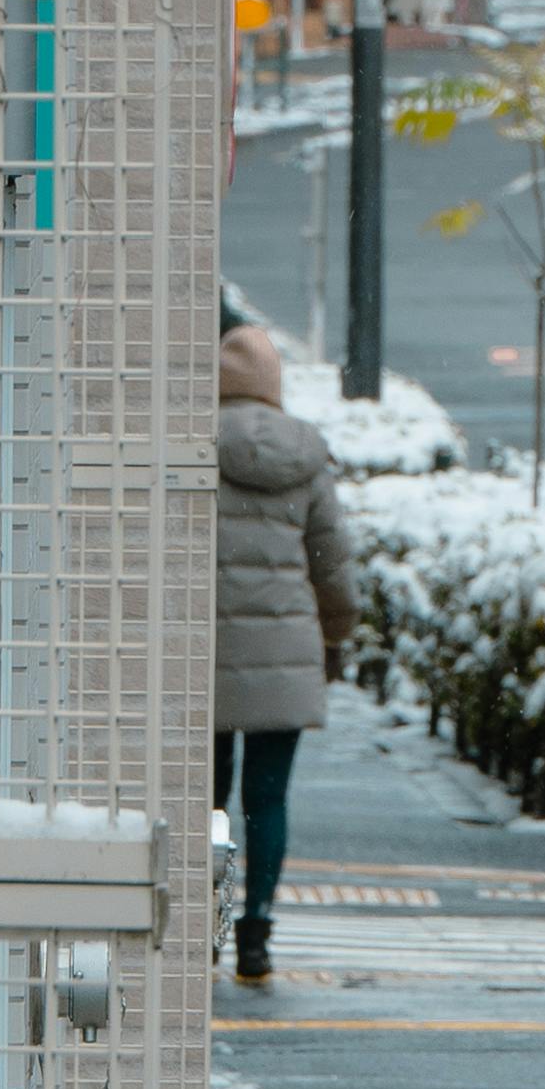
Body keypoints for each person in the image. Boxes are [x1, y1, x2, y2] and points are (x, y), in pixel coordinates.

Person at [213, 321, 354, 989]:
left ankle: (201, 927)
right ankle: (257, 934)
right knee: (266, 800)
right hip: (285, 652)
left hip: (204, 653)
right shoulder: (305, 455)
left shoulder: (193, 444)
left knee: (203, 801)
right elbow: (333, 564)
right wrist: (336, 633)